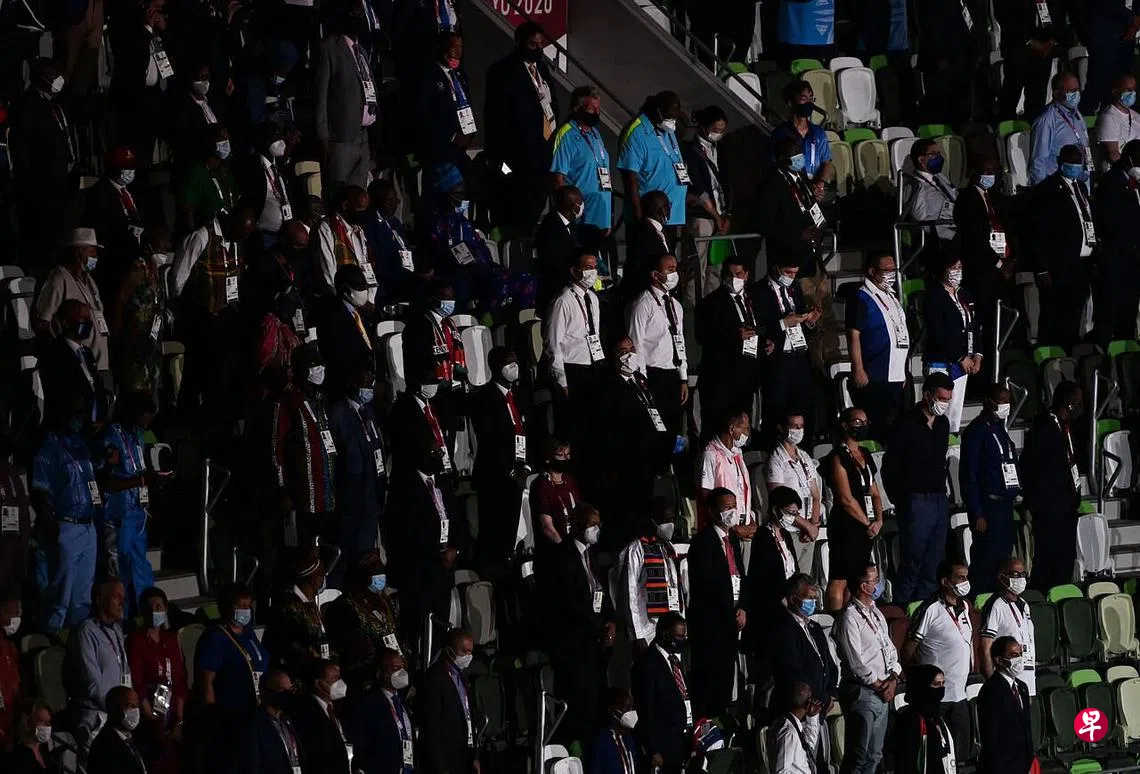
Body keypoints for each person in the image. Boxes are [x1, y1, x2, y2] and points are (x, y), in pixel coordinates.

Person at [538, 503, 616, 746]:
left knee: (597, 701)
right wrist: (597, 627)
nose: (597, 529)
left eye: (598, 524)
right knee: (577, 703)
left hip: (594, 643)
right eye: (592, 524)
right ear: (578, 526)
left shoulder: (592, 555)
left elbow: (601, 591)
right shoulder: (562, 557)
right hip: (573, 644)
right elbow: (570, 602)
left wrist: (610, 621)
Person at [384, 424, 463, 645]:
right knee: (416, 633)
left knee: (439, 629)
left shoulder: (443, 484)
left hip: (443, 572)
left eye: (440, 451)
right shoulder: (403, 489)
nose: (439, 456)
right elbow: (404, 534)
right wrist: (436, 554)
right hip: (418, 573)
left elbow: (457, 521)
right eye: (433, 452)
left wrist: (455, 549)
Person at [31, 397, 101, 633]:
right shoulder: (48, 449)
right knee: (60, 593)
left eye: (82, 415)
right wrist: (54, 530)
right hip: (66, 525)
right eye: (74, 415)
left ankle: (78, 637)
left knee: (83, 593)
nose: (79, 420)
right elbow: (39, 493)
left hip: (88, 526)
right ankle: (51, 637)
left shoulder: (81, 445)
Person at [882, 373, 953, 605]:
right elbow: (890, 466)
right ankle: (903, 608)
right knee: (913, 558)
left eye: (948, 399)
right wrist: (901, 499)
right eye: (941, 398)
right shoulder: (906, 424)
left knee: (935, 558)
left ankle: (927, 606)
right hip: (915, 500)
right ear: (927, 395)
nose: (944, 403)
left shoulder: (943, 424)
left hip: (938, 498)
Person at [484, 22, 558, 230]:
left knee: (535, 209)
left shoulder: (542, 68)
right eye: (533, 44)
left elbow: (551, 104)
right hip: (517, 158)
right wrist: (500, 158)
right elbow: (495, 116)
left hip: (542, 155)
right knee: (514, 215)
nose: (538, 49)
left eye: (541, 44)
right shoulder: (503, 71)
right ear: (519, 43)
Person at [95, 392, 162, 614]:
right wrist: (141, 480)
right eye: (145, 416)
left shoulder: (138, 435)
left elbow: (138, 471)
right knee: (118, 571)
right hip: (117, 515)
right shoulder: (110, 435)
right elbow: (105, 481)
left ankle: (144, 614)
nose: (147, 422)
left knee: (141, 569)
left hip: (137, 514)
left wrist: (153, 480)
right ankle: (119, 619)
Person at [195, 583, 271, 774]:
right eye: (240, 606)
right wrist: (211, 714)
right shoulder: (215, 637)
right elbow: (207, 680)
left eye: (248, 606)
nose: (245, 610)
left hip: (255, 712)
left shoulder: (248, 632)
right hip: (231, 717)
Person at [687, 488, 749, 719]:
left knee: (726, 676)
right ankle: (705, 723)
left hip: (731, 619)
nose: (732, 512)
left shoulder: (732, 539)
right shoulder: (703, 542)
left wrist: (742, 607)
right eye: (726, 507)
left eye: (734, 506)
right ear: (713, 512)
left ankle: (722, 718)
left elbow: (741, 575)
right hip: (711, 623)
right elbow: (706, 586)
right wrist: (726, 612)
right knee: (708, 679)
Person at [902, 560, 973, 760]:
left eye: (966, 577)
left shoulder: (965, 606)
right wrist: (918, 682)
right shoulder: (929, 609)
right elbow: (907, 650)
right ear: (945, 581)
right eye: (960, 577)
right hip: (936, 698)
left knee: (958, 756)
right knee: (937, 755)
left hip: (960, 695)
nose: (965, 581)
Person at [694, 254, 770, 432]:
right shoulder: (710, 303)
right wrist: (734, 337)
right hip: (720, 379)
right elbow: (703, 337)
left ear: (746, 275)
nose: (734, 279)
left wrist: (765, 342)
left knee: (742, 427)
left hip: (747, 378)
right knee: (717, 427)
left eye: (738, 274)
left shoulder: (753, 299)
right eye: (730, 275)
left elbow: (759, 328)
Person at [1031, 143, 1096, 351]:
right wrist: (1042, 268)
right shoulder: (1046, 190)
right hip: (1059, 265)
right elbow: (1039, 232)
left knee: (1074, 316)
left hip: (1082, 264)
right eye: (1071, 161)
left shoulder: (1080, 187)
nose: (1075, 165)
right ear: (1060, 162)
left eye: (1078, 162)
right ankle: (1051, 357)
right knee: (1054, 317)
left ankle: (1070, 356)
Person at [835, 563, 899, 774]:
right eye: (876, 580)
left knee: (875, 755)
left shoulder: (876, 613)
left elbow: (890, 650)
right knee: (858, 755)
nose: (880, 584)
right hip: (863, 692)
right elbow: (855, 662)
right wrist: (880, 685)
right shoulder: (849, 618)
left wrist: (893, 679)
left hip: (883, 691)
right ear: (864, 586)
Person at [273, 343, 338, 548]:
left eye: (321, 364)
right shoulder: (288, 402)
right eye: (314, 365)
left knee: (329, 550)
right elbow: (277, 449)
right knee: (306, 551)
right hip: (303, 497)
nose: (320, 369)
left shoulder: (321, 400)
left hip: (328, 495)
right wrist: (283, 490)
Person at [10, 58, 74, 264]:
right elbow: (21, 151)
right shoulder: (27, 106)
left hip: (59, 183)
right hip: (40, 188)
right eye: (53, 75)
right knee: (42, 245)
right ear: (42, 78)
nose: (58, 79)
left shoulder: (54, 104)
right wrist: (29, 186)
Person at [771, 573, 839, 769]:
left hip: (820, 707)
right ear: (794, 598)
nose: (813, 603)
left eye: (815, 598)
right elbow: (792, 669)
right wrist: (818, 698)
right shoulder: (783, 629)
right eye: (809, 598)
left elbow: (830, 665)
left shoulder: (814, 627)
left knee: (819, 760)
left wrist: (831, 694)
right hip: (801, 708)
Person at [1020, 381, 1083, 590]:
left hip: (1067, 505)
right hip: (1049, 507)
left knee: (1065, 559)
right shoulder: (1043, 427)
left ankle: (1061, 597)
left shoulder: (1067, 427)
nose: (1079, 407)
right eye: (1076, 402)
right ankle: (1042, 598)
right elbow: (1030, 467)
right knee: (1047, 558)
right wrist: (1035, 502)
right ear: (1067, 403)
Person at [471, 347, 529, 570]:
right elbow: (489, 440)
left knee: (509, 531)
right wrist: (510, 470)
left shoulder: (518, 395)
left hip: (517, 473)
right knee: (493, 532)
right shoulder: (484, 398)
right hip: (494, 476)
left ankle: (505, 569)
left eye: (516, 361)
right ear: (496, 368)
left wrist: (525, 467)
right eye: (509, 363)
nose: (515, 367)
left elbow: (527, 430)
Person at [546, 251, 606, 459]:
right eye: (587, 268)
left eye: (594, 267)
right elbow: (553, 344)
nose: (592, 272)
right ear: (574, 271)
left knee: (593, 424)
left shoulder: (593, 298)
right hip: (572, 369)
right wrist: (562, 380)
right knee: (574, 425)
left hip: (593, 366)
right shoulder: (563, 301)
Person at [822, 408, 883, 612]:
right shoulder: (837, 456)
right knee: (840, 576)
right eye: (857, 422)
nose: (862, 426)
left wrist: (879, 520)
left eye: (865, 422)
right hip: (846, 523)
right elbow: (845, 498)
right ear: (845, 425)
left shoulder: (865, 453)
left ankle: (851, 614)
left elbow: (875, 492)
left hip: (867, 524)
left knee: (856, 576)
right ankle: (835, 618)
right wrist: (868, 523)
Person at [961, 385, 1021, 592]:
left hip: (1005, 504)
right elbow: (969, 476)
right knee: (986, 560)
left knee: (1004, 559)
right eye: (1001, 401)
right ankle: (980, 599)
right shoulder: (976, 432)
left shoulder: (999, 429)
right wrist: (977, 513)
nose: (1006, 406)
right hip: (988, 506)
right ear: (988, 402)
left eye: (1008, 401)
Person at [327, 366, 387, 568]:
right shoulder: (338, 413)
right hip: (349, 498)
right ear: (351, 384)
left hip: (370, 493)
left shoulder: (368, 411)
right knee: (349, 555)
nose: (368, 388)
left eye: (371, 384)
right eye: (364, 384)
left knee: (367, 554)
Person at [953, 156, 1013, 356]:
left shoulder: (996, 198)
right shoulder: (966, 199)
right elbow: (974, 239)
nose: (990, 176)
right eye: (986, 171)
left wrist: (1009, 260)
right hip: (981, 271)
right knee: (985, 321)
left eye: (993, 171)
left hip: (1002, 268)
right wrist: (998, 264)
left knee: (1001, 321)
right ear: (974, 173)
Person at [847, 251, 909, 439]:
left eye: (894, 270)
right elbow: (853, 335)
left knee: (897, 429)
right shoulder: (861, 297)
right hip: (875, 375)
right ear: (872, 271)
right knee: (879, 429)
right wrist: (858, 368)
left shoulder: (891, 295)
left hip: (896, 375)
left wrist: (902, 370)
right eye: (886, 270)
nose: (891, 274)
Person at [755, 256, 819, 438]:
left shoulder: (795, 287)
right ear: (776, 269)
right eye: (788, 272)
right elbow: (757, 327)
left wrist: (810, 322)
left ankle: (803, 450)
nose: (791, 277)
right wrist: (783, 323)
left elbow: (800, 320)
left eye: (795, 273)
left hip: (799, 357)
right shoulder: (758, 291)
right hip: (776, 360)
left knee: (803, 408)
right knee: (776, 411)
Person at [125, 587, 187, 772]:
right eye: (149, 608)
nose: (154, 612)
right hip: (149, 705)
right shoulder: (136, 640)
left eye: (158, 607)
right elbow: (136, 680)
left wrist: (179, 719)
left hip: (172, 703)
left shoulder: (171, 639)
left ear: (166, 608)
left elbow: (180, 680)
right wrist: (149, 714)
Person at [314, 10, 377, 192]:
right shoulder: (329, 48)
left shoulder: (361, 50)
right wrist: (323, 136)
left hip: (364, 134)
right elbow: (320, 95)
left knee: (359, 193)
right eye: (357, 15)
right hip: (341, 137)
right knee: (339, 193)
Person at [34, 227, 110, 375]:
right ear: (78, 253)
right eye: (92, 252)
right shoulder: (59, 278)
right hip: (76, 367)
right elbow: (42, 324)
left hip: (97, 364)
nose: (96, 257)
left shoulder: (89, 280)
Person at [627, 252, 688, 436]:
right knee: (655, 430)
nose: (674, 274)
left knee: (673, 430)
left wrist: (683, 377)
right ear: (655, 274)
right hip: (653, 375)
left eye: (675, 269)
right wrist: (642, 382)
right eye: (669, 270)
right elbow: (636, 344)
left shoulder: (676, 305)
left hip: (672, 374)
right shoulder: (642, 304)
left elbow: (679, 340)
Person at [64, 578, 128, 748]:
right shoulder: (87, 631)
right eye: (116, 597)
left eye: (123, 597)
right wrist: (117, 708)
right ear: (100, 600)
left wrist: (130, 704)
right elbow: (92, 682)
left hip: (118, 713)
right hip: (96, 715)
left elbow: (125, 671)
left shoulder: (116, 630)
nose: (122, 602)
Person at [325, 550, 401, 687]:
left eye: (381, 574)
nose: (380, 579)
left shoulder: (385, 602)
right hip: (364, 674)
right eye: (375, 575)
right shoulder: (344, 606)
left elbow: (397, 632)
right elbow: (353, 650)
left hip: (392, 664)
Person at [923, 253, 981, 433]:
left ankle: (951, 443)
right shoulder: (934, 296)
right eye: (953, 268)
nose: (957, 271)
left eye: (960, 267)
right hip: (941, 362)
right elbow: (937, 332)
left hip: (963, 365)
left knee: (954, 416)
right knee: (938, 411)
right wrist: (960, 357)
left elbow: (974, 326)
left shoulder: (964, 295)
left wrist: (977, 355)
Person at [109, 226, 170, 394]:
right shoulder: (138, 268)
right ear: (149, 246)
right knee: (135, 392)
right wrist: (116, 336)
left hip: (151, 341)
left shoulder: (155, 270)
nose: (165, 250)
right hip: (134, 341)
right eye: (161, 247)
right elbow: (120, 300)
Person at [615, 499, 684, 648]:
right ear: (653, 521)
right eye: (665, 520)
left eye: (672, 520)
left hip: (670, 623)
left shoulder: (669, 548)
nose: (670, 524)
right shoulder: (636, 548)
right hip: (646, 626)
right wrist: (637, 634)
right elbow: (629, 594)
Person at [757, 136, 825, 284]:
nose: (800, 156)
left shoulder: (802, 177)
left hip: (810, 252)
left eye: (800, 151)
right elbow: (765, 223)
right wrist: (798, 234)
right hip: (787, 256)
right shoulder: (773, 184)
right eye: (795, 153)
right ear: (783, 158)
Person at [551, 87, 612, 250]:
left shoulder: (596, 134)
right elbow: (558, 178)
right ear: (577, 108)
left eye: (598, 109)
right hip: (581, 218)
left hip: (602, 215)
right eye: (592, 109)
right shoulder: (566, 134)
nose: (596, 113)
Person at [1093, 138, 1140, 346]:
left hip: (1134, 263)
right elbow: (1110, 222)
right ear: (1129, 158)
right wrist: (1132, 247)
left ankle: (1125, 352)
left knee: (1129, 314)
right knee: (1109, 313)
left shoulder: (1136, 181)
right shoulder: (1111, 183)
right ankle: (1101, 354)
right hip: (1117, 259)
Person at [682, 105, 731, 303]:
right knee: (697, 269)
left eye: (722, 130)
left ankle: (713, 307)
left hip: (721, 215)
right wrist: (716, 217)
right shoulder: (690, 150)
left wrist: (727, 215)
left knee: (716, 267)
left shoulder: (721, 148)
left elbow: (727, 183)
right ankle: (694, 309)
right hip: (702, 216)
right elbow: (698, 188)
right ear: (703, 127)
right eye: (716, 129)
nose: (719, 133)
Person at [82, 147, 146, 298]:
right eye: (126, 167)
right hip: (113, 263)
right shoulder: (99, 193)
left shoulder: (130, 191)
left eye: (132, 167)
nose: (130, 171)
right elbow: (104, 230)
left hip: (133, 258)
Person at [631, 613, 691, 773]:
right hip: (662, 749)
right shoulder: (647, 664)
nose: (683, 641)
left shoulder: (675, 660)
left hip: (681, 743)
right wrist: (653, 750)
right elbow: (645, 710)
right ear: (665, 635)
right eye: (679, 637)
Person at [995, 0, 1070, 121]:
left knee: (1038, 99)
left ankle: (1034, 129)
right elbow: (1003, 13)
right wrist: (1028, 41)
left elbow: (1060, 11)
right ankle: (1006, 129)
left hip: (1046, 49)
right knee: (1010, 97)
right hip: (1017, 48)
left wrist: (1054, 40)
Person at [343, 649, 415, 774]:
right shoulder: (368, 703)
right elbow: (361, 743)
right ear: (380, 673)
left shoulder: (402, 701)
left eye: (402, 668)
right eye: (394, 669)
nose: (401, 673)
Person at [418, 628, 480, 774]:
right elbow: (431, 726)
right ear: (449, 651)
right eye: (464, 651)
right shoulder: (435, 678)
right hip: (446, 760)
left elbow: (469, 714)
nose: (468, 656)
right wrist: (440, 766)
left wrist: (475, 756)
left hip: (465, 755)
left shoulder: (463, 677)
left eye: (470, 652)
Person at [766, 412, 823, 570]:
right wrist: (806, 526)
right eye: (794, 426)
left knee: (805, 576)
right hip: (789, 528)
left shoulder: (804, 456)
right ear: (782, 428)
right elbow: (779, 499)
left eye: (801, 426)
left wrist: (813, 525)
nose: (799, 430)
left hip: (808, 530)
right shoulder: (776, 459)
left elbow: (815, 495)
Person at [412, 31, 476, 172]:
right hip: (439, 149)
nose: (458, 53)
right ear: (440, 48)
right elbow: (422, 114)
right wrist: (450, 136)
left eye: (460, 47)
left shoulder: (460, 75)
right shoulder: (428, 76)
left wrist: (468, 131)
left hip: (460, 146)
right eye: (453, 48)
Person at [746, 488, 807, 633]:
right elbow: (766, 575)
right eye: (790, 513)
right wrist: (784, 601)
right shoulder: (763, 535)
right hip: (772, 601)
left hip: (790, 596)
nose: (792, 517)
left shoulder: (785, 534)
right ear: (775, 510)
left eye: (795, 514)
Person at [265, 552, 331, 675]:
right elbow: (294, 645)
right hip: (294, 672)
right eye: (322, 575)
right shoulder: (289, 605)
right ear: (313, 579)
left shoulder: (308, 602)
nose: (324, 579)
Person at [979, 558, 1037, 697]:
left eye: (1023, 574)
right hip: (1006, 677)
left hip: (1027, 674)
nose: (1021, 579)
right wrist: (992, 682)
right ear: (1002, 577)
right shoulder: (996, 605)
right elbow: (985, 646)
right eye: (1016, 574)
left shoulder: (1024, 604)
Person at [318, 265, 376, 401]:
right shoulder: (332, 318)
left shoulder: (361, 312)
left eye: (365, 286)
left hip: (367, 382)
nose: (364, 291)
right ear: (345, 290)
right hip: (347, 388)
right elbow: (336, 356)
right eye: (359, 287)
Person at [977, 637, 1034, 774]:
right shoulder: (991, 690)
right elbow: (990, 735)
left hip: (1023, 763)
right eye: (1013, 655)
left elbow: (1026, 726)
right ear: (999, 660)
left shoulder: (1022, 687)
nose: (1019, 659)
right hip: (1002, 766)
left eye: (1020, 654)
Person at [914, 0, 975, 124]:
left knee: (960, 105)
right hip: (942, 63)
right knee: (942, 108)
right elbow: (932, 27)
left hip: (961, 61)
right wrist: (941, 58)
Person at [771, 80, 835, 195]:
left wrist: (820, 185)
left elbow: (826, 162)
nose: (809, 102)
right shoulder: (780, 134)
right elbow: (776, 168)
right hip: (792, 193)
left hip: (815, 191)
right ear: (791, 102)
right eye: (804, 98)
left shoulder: (818, 132)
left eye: (811, 98)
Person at [892, 664, 957, 774]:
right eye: (936, 684)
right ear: (922, 687)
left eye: (942, 684)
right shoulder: (909, 720)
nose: (941, 689)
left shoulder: (938, 718)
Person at [1029, 72, 1092, 185]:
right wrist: (1042, 189)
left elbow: (1085, 146)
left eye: (1077, 90)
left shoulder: (1077, 115)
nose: (1076, 94)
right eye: (1071, 91)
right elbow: (1038, 161)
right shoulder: (1047, 120)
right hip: (1057, 185)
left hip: (1081, 182)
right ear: (1056, 93)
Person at [291, 659, 351, 774]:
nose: (339, 684)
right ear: (318, 684)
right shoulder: (306, 713)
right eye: (333, 680)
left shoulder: (338, 708)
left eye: (338, 678)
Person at [1079, 0, 1140, 114]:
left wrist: (1134, 26)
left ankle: (1117, 118)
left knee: (1123, 84)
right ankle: (1083, 120)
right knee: (1098, 83)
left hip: (1127, 40)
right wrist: (1132, 19)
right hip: (1105, 37)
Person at [316, 185, 375, 300]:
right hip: (342, 299)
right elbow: (329, 273)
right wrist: (348, 300)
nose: (364, 215)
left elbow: (366, 265)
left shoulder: (358, 230)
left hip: (362, 298)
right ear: (346, 205)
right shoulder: (327, 228)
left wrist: (370, 299)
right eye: (360, 210)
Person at [698, 411, 754, 530]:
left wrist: (749, 519)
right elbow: (706, 495)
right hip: (722, 529)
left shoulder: (737, 454)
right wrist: (731, 527)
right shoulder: (710, 454)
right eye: (745, 428)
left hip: (741, 525)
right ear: (732, 429)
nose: (747, 433)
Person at [534, 185, 585, 313]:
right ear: (572, 206)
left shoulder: (571, 224)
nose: (582, 205)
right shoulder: (550, 228)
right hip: (555, 291)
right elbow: (554, 263)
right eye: (580, 202)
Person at [620, 190, 674, 306]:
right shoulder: (644, 232)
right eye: (668, 206)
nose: (670, 209)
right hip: (645, 295)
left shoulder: (657, 230)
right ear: (661, 210)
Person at [529, 440, 582, 557]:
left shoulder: (569, 480)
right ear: (548, 458)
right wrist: (565, 550)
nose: (566, 458)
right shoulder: (542, 485)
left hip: (574, 545)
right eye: (561, 455)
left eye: (568, 454)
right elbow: (547, 527)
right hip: (555, 552)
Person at [363, 178, 415, 295]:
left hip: (406, 279)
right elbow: (377, 260)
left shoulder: (394, 222)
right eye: (390, 201)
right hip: (385, 284)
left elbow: (406, 247)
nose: (394, 205)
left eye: (395, 200)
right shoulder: (369, 224)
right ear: (377, 201)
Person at [249, 670, 305, 774]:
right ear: (268, 693)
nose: (289, 694)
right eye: (283, 690)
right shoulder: (254, 726)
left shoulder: (288, 721)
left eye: (290, 689)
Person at [906, 139, 957, 246]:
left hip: (957, 224)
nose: (939, 157)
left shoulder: (940, 177)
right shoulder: (914, 185)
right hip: (940, 236)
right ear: (921, 159)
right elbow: (922, 221)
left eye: (939, 153)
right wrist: (952, 235)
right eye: (934, 154)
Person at [766, 680, 822, 774]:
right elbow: (781, 771)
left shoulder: (791, 723)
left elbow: (810, 743)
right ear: (808, 703)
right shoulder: (789, 731)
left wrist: (812, 716)